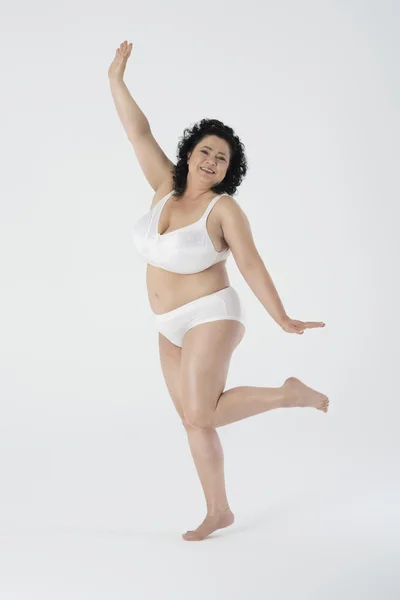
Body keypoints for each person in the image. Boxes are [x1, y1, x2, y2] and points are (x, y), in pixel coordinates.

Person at [108, 41, 329, 542]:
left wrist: (282, 316)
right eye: (206, 150)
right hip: (167, 326)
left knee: (200, 411)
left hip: (212, 313)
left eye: (222, 158)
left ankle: (287, 395)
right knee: (194, 422)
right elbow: (136, 131)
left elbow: (250, 263)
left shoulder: (224, 209)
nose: (211, 160)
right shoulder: (163, 186)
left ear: (229, 171)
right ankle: (219, 511)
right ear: (190, 153)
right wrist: (116, 80)